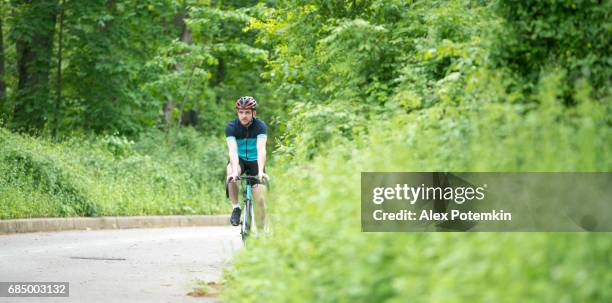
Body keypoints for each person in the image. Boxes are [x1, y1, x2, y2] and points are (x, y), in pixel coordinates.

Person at [225, 96, 269, 228]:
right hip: (240, 160)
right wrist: (234, 172)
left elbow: (261, 149)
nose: (244, 115)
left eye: (247, 112)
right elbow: (232, 150)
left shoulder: (260, 126)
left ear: (253, 113)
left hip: (256, 162)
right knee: (230, 173)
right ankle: (236, 208)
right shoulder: (231, 127)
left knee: (260, 201)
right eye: (241, 112)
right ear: (237, 112)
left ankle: (261, 232)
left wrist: (261, 171)